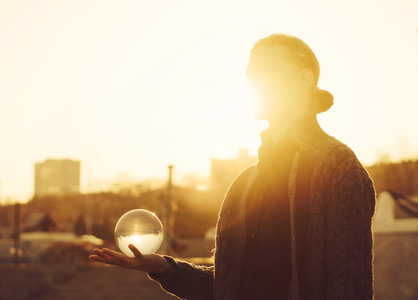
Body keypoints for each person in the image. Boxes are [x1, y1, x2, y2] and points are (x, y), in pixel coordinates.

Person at [89, 33, 376, 300]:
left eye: (268, 70)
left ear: (303, 80)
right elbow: (227, 286)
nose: (254, 83)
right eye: (251, 76)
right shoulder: (245, 183)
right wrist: (165, 267)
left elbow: (348, 287)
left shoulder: (339, 168)